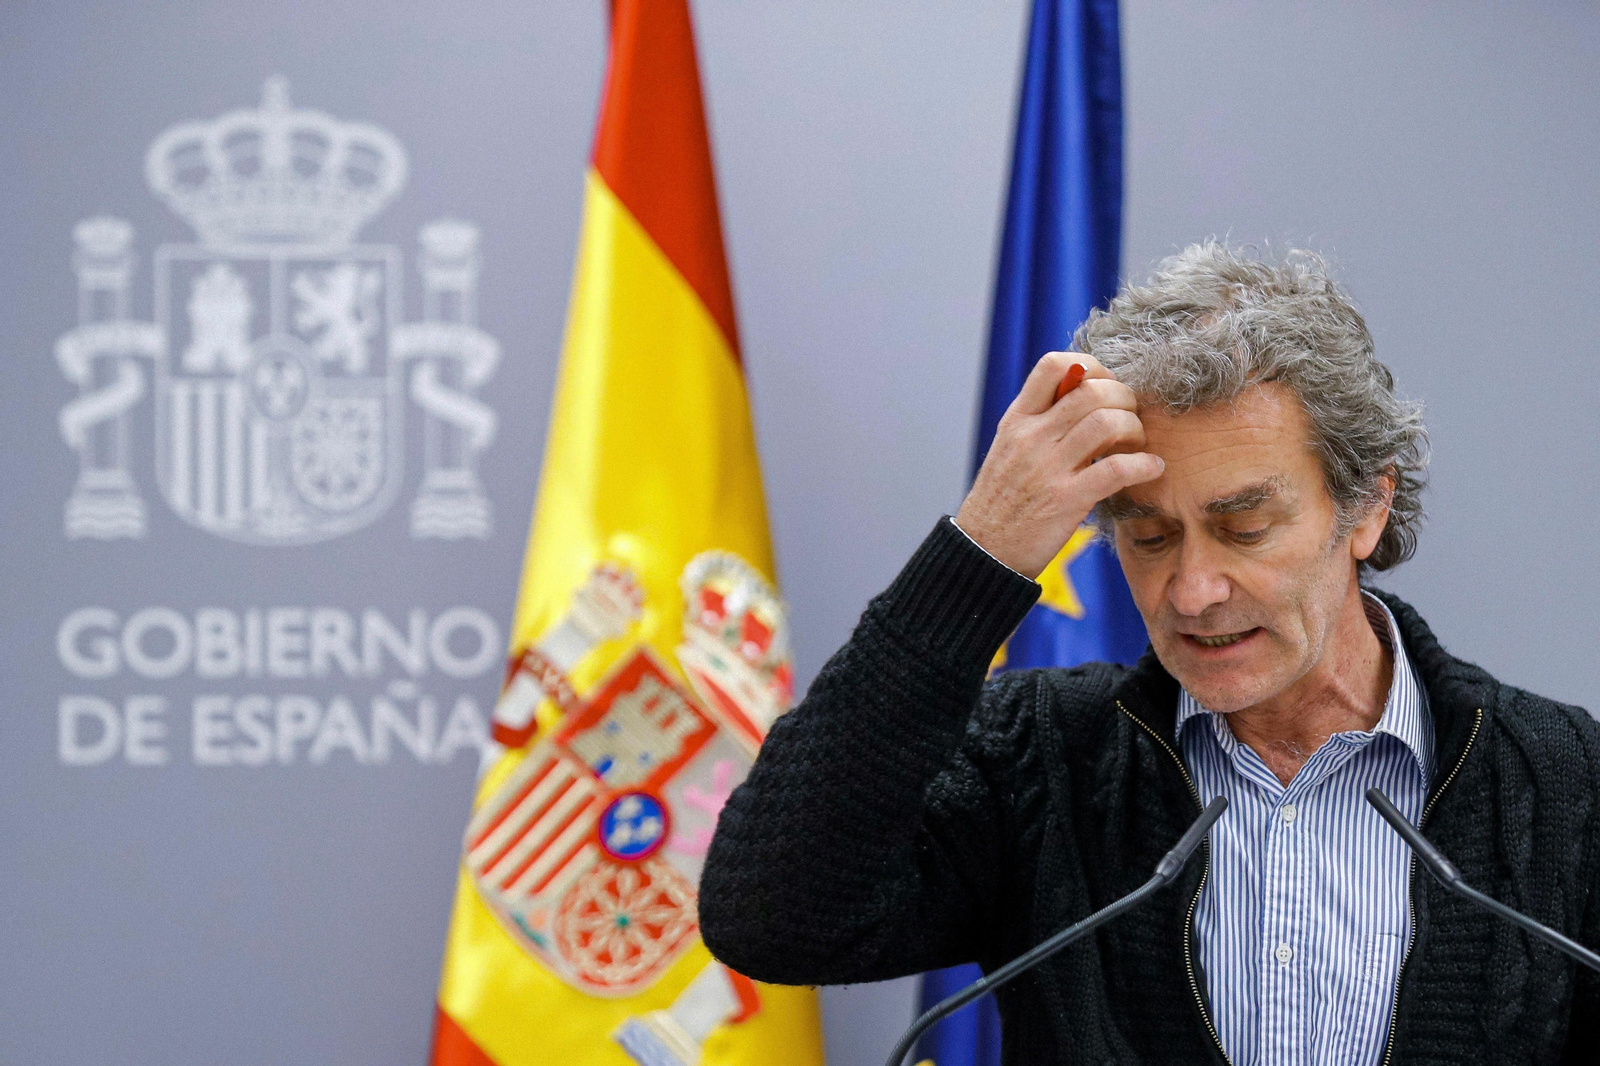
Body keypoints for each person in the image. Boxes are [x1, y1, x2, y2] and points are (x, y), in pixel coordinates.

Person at [697, 242, 1600, 1065]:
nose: (1193, 591)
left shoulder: (1564, 784)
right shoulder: (1040, 759)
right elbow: (770, 917)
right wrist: (976, 557)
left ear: (1365, 509)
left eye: (1242, 528)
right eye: (1150, 537)